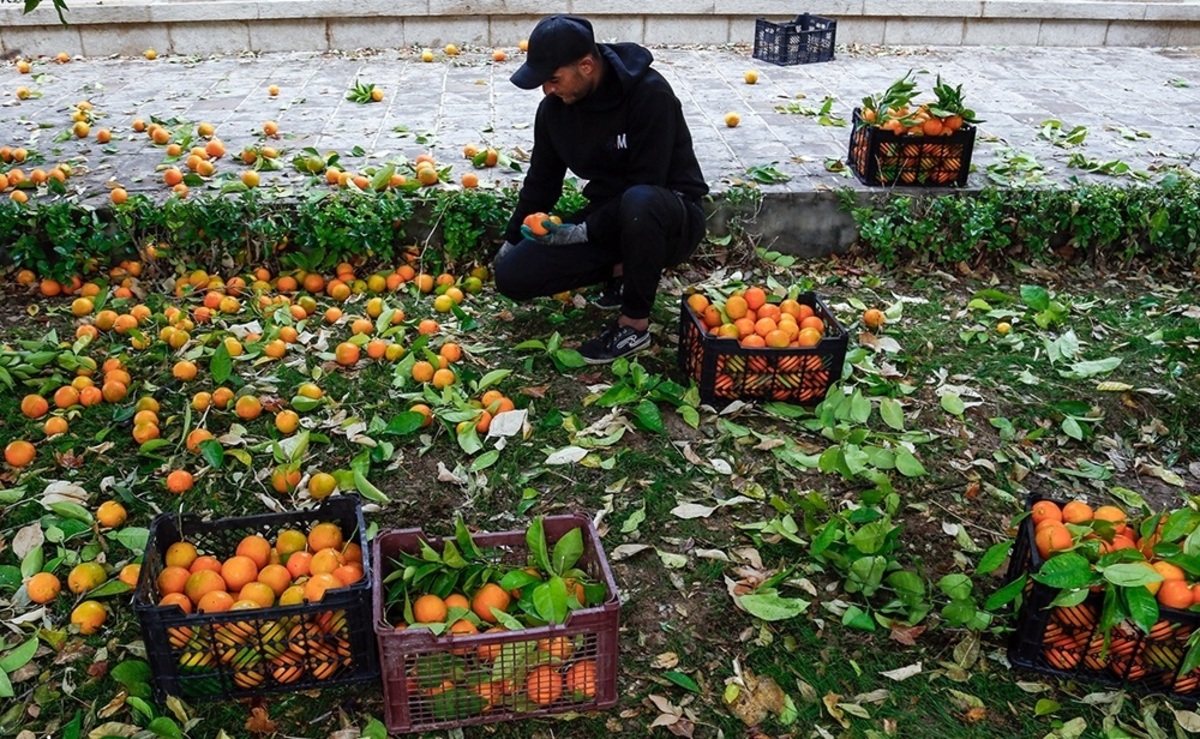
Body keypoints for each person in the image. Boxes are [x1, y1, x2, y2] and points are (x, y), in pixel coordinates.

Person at [493, 14, 708, 364]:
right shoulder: (554, 111)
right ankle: (623, 271)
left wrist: (582, 231)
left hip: (669, 215)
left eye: (552, 79)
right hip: (608, 218)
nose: (547, 90)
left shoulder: (649, 95)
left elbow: (647, 182)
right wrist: (512, 239)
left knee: (639, 203)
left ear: (587, 65)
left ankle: (634, 325)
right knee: (513, 276)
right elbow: (542, 182)